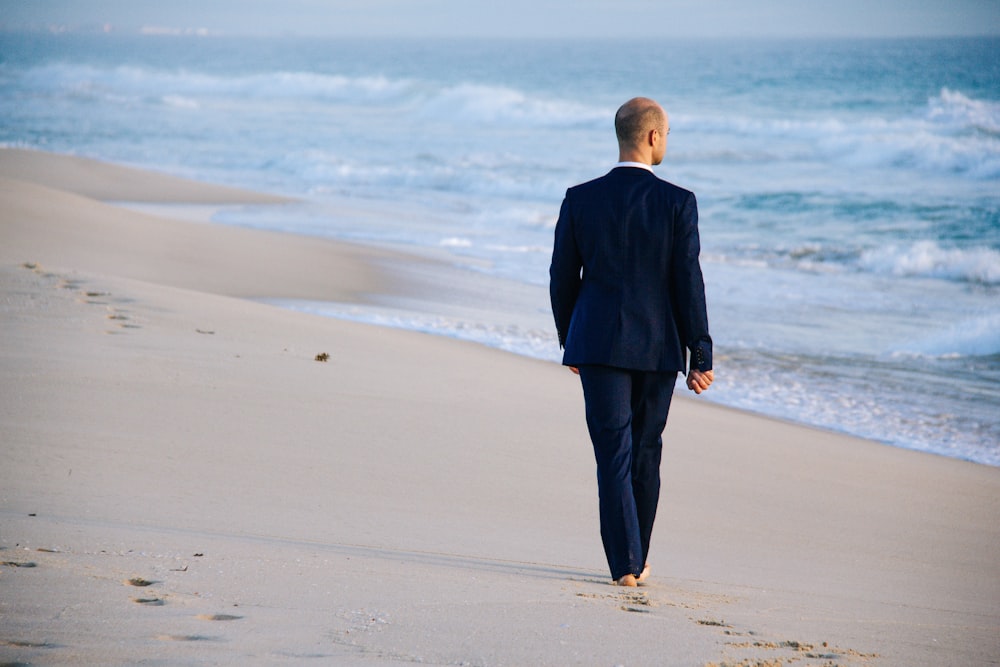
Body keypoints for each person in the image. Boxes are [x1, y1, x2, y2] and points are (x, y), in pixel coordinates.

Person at [549, 97, 714, 587]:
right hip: (659, 348)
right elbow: (688, 281)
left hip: (597, 344)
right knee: (646, 451)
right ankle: (636, 560)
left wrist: (570, 340)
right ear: (651, 137)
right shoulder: (678, 202)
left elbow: (562, 277)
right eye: (666, 135)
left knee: (613, 455)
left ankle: (626, 563)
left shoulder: (580, 198)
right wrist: (699, 353)